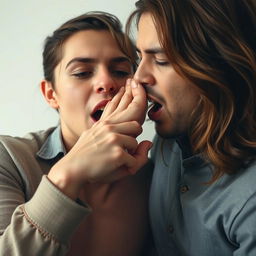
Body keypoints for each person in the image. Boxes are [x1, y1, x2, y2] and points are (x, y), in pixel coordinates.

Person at [0, 11, 154, 256]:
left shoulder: (156, 173)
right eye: (82, 72)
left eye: (121, 71)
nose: (107, 82)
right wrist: (68, 174)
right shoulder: (8, 158)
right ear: (51, 94)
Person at [125, 0, 256, 255]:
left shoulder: (250, 199)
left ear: (221, 65)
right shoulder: (166, 144)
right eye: (140, 58)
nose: (139, 77)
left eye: (161, 60)